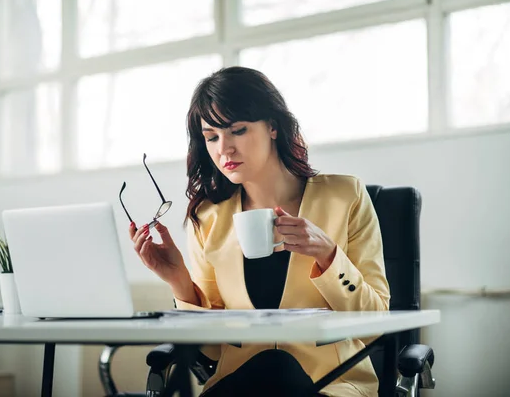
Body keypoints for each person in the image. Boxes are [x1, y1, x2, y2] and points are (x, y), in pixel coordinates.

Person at [129, 66, 390, 397]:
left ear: (273, 127)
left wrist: (328, 256)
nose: (224, 149)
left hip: (332, 385)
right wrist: (179, 281)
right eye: (212, 137)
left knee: (278, 368)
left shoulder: (345, 197)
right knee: (268, 370)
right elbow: (210, 352)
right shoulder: (207, 219)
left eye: (237, 130)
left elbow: (377, 326)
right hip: (242, 384)